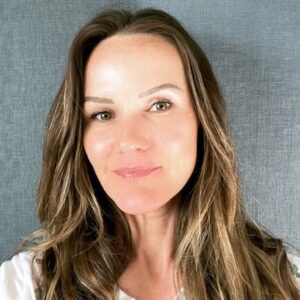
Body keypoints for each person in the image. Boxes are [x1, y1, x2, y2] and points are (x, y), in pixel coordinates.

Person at [0, 7, 299, 300]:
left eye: (160, 105)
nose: (129, 140)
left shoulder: (285, 282)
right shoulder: (21, 287)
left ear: (203, 120)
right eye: (103, 114)